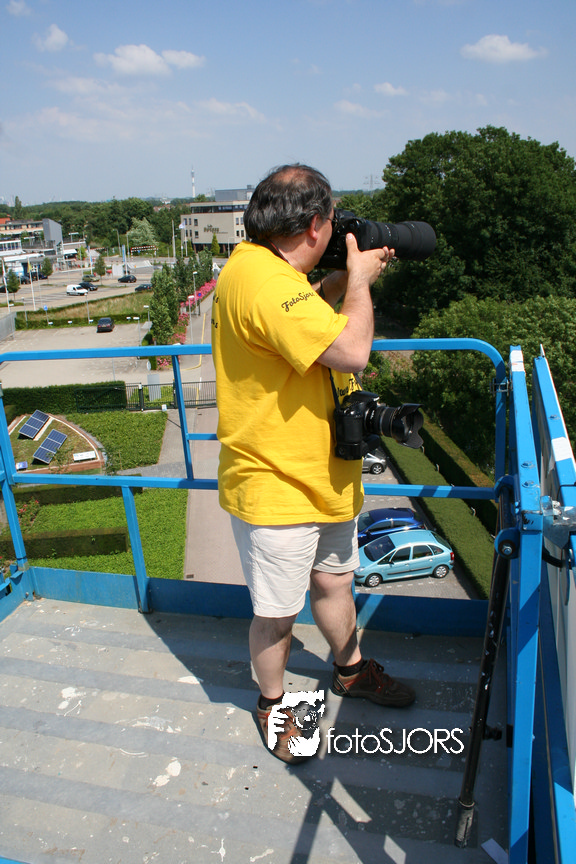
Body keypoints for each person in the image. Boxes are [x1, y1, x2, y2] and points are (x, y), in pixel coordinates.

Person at [211, 164, 415, 763]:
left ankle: (349, 670)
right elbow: (351, 350)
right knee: (277, 616)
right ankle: (274, 707)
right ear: (315, 225)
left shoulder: (259, 267)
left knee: (333, 582)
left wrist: (334, 284)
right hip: (277, 483)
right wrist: (360, 282)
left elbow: (298, 315)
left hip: (319, 475)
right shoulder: (266, 283)